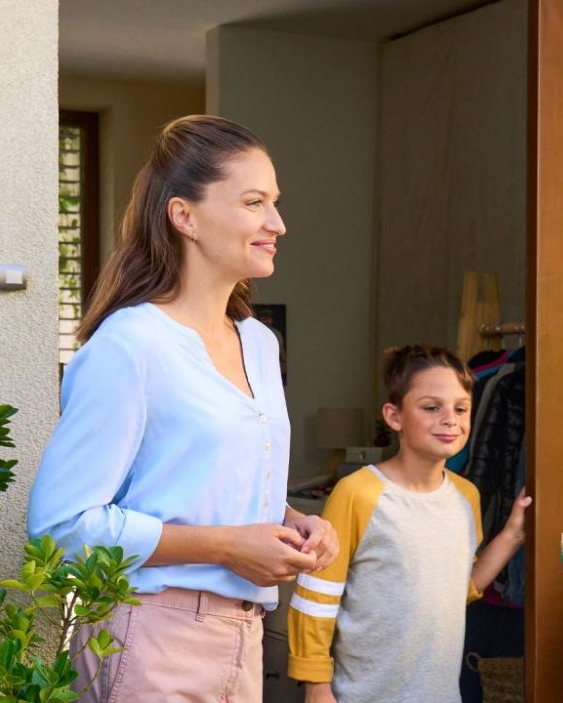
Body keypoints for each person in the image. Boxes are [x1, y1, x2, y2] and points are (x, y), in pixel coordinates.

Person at [28, 115, 339, 702]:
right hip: (147, 640)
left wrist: (293, 524)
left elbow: (199, 482)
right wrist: (224, 545)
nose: (278, 223)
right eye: (254, 202)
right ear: (184, 216)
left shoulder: (259, 342)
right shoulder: (130, 345)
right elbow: (61, 526)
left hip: (245, 640)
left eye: (274, 202)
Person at [287, 344, 531, 703]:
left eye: (461, 408)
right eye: (432, 407)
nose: (450, 419)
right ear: (394, 416)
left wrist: (512, 535)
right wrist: (316, 686)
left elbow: (454, 590)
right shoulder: (358, 493)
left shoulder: (467, 497)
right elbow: (317, 596)